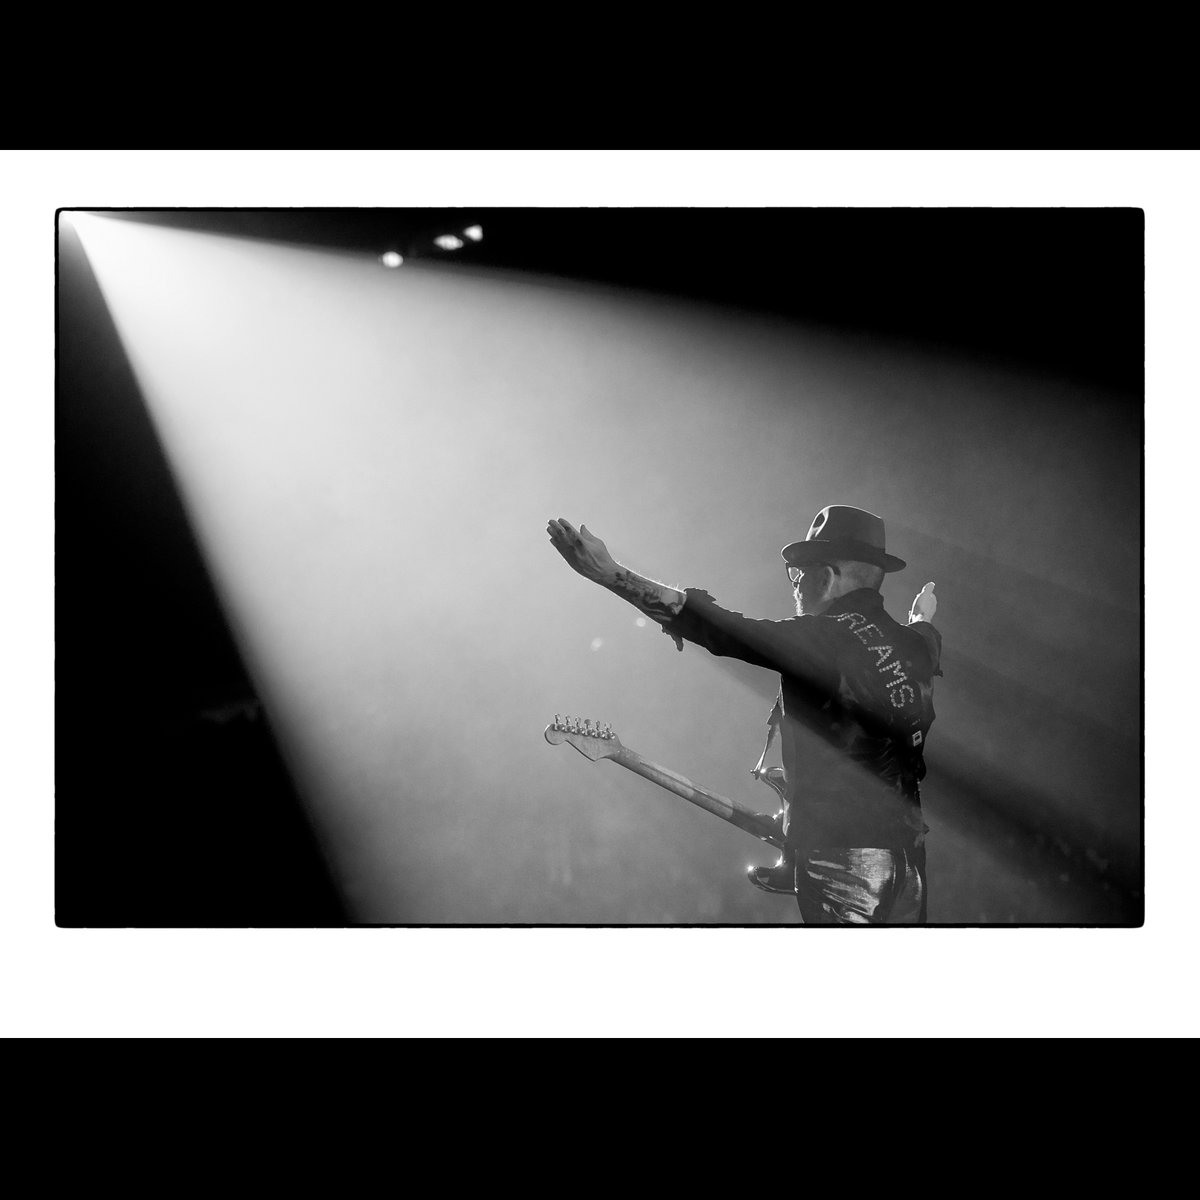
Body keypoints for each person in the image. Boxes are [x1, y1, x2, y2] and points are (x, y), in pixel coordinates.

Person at [546, 505, 942, 925]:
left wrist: (609, 574)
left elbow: (722, 630)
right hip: (908, 865)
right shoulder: (913, 646)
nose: (796, 586)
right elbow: (927, 636)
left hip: (845, 866)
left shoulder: (823, 637)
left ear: (825, 577)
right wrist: (922, 616)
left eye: (800, 574)